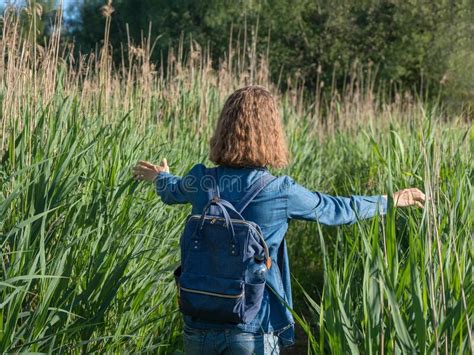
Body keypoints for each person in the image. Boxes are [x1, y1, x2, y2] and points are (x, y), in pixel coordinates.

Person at [132, 85, 425, 354]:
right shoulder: (280, 190)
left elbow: (171, 191)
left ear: (223, 129)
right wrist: (390, 200)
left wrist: (160, 176)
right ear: (272, 133)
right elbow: (337, 210)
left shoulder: (200, 180)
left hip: (198, 322)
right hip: (254, 326)